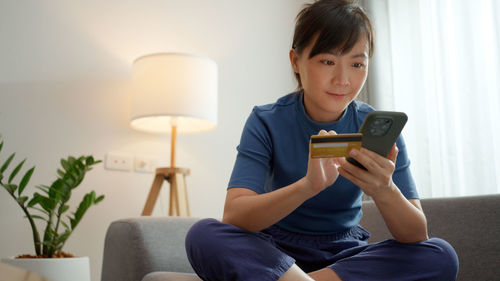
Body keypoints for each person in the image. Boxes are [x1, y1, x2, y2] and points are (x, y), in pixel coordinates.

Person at [185, 0, 459, 280]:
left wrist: (384, 188)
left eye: (357, 64)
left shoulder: (377, 126)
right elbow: (235, 216)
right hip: (273, 253)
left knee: (440, 254)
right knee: (203, 234)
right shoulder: (266, 121)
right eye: (328, 61)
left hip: (345, 256)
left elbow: (416, 233)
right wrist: (308, 186)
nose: (343, 79)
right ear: (295, 61)